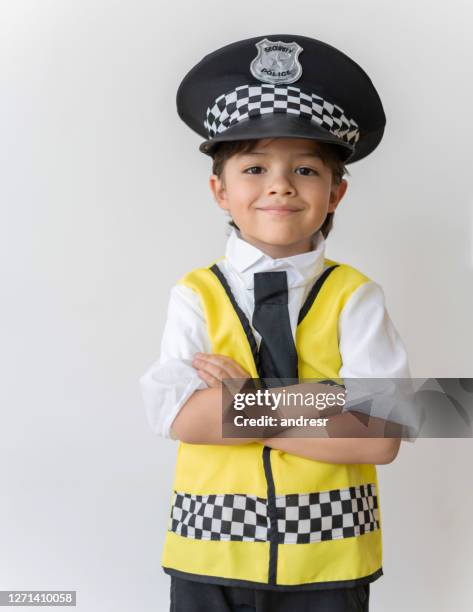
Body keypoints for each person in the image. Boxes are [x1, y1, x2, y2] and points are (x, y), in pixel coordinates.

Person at [139, 34, 411, 612]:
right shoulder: (194, 294)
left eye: (307, 169)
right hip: (210, 552)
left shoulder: (357, 296)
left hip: (331, 557)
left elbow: (385, 435)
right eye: (255, 166)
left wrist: (246, 401)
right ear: (220, 190)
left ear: (336, 191)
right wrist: (329, 405)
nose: (280, 184)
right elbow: (178, 417)